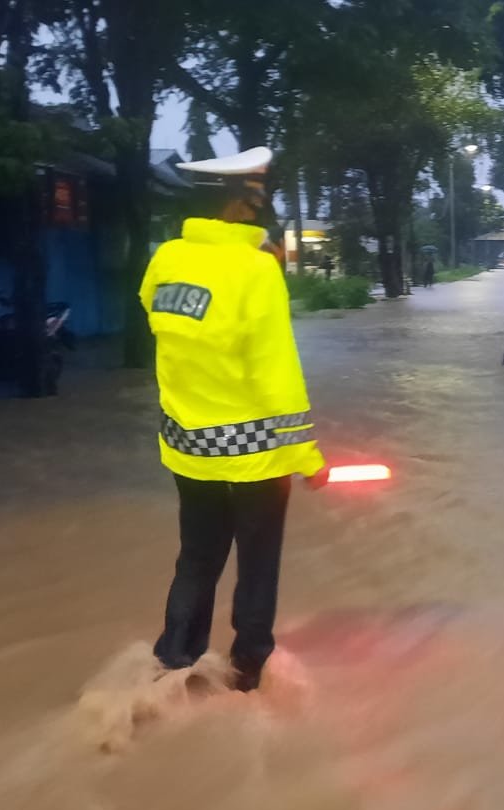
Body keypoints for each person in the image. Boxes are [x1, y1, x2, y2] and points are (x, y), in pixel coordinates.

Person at [139, 146, 329, 693]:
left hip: (188, 446)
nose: (260, 207)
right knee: (257, 564)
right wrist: (308, 457)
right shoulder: (256, 269)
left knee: (197, 557)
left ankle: (174, 660)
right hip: (255, 454)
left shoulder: (166, 258)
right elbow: (276, 374)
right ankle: (247, 670)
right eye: (257, 197)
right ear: (237, 204)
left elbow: (155, 316)